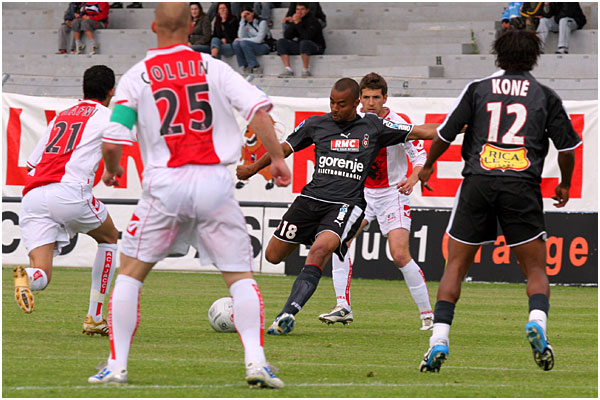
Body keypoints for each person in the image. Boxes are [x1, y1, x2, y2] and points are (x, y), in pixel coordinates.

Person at [87, 2, 291, 388]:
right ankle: (256, 362)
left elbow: (113, 140)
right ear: (191, 25)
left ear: (153, 27)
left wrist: (112, 170)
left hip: (165, 185)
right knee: (239, 276)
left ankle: (116, 366)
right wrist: (277, 159)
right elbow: (257, 112)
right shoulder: (214, 68)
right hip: (214, 182)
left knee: (130, 274)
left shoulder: (137, 77)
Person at [417, 30, 581, 373]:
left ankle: (439, 339)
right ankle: (537, 323)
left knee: (455, 265)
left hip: (478, 181)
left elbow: (446, 132)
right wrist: (564, 184)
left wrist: (429, 164)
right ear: (534, 57)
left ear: (497, 54)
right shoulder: (545, 95)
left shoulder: (478, 89)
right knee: (535, 269)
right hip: (522, 185)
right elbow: (567, 149)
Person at [237, 77, 439, 336]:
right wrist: (253, 168)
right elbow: (285, 148)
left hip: (366, 199)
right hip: (317, 199)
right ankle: (343, 305)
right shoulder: (316, 124)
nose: (334, 108)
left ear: (357, 103)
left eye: (341, 104)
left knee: (336, 250)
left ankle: (287, 314)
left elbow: (424, 134)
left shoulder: (378, 126)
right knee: (273, 255)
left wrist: (461, 124)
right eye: (332, 102)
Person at [318, 72, 434, 330]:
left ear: (385, 98)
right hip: (362, 195)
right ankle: (342, 306)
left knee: (399, 255)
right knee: (339, 242)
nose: (371, 103)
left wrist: (413, 178)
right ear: (359, 99)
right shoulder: (353, 122)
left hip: (393, 194)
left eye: (376, 98)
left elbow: (419, 157)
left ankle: (428, 315)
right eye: (366, 97)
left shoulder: (398, 122)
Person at [14, 65, 119, 338]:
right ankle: (95, 317)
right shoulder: (107, 116)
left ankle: (28, 277)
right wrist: (112, 170)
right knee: (109, 238)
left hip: (33, 196)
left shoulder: (62, 116)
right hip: (69, 192)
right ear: (111, 91)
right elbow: (112, 147)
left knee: (42, 273)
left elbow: (32, 164)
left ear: (83, 88)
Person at [276, 3, 326, 78]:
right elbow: (287, 36)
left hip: (316, 46)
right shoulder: (297, 19)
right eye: (297, 9)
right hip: (302, 46)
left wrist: (298, 24)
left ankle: (306, 70)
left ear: (307, 10)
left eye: (302, 9)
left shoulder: (313, 21)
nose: (299, 12)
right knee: (281, 42)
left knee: (304, 43)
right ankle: (288, 69)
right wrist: (292, 24)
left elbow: (307, 36)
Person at [233, 5, 271, 76]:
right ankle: (245, 66)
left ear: (252, 13)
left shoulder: (262, 22)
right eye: (245, 16)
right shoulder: (246, 24)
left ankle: (255, 66)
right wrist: (242, 20)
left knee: (243, 43)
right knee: (236, 43)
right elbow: (240, 36)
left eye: (248, 14)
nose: (247, 17)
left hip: (264, 45)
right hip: (252, 45)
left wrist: (243, 39)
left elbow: (259, 39)